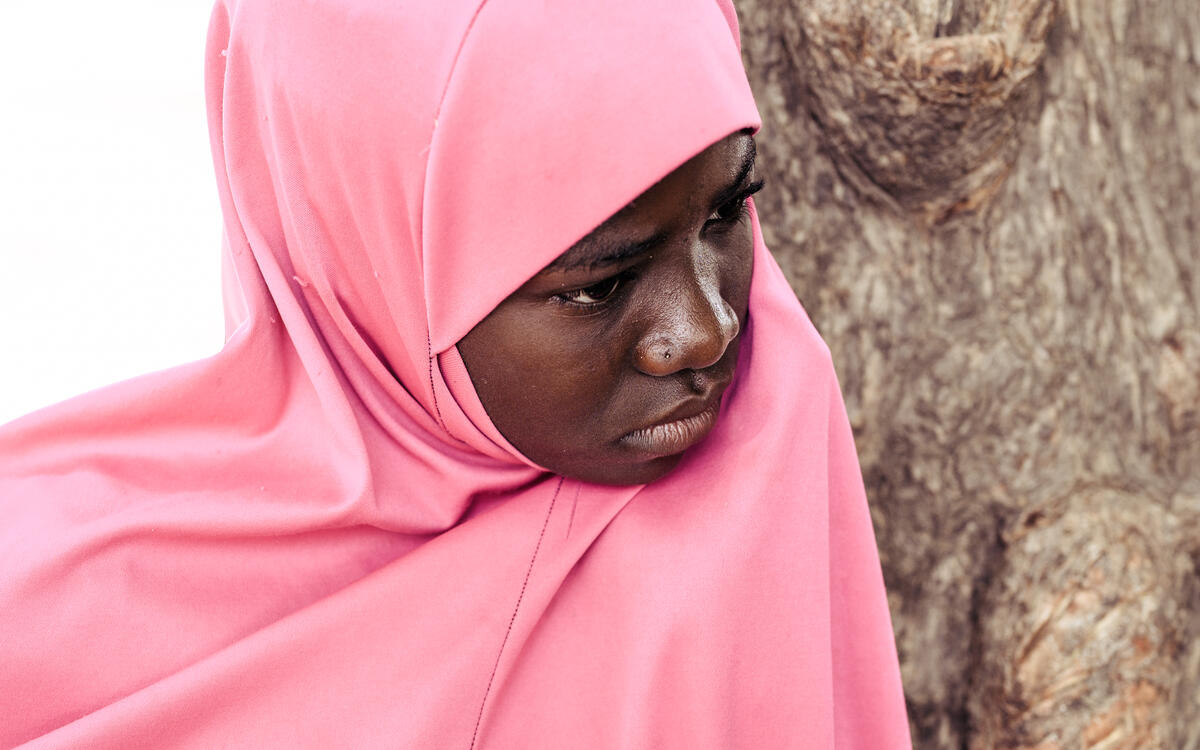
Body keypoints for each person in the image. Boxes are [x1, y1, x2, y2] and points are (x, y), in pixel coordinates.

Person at [0, 0, 911, 747]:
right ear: (374, 261)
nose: (708, 331)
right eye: (600, 285)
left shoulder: (761, 443)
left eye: (727, 210)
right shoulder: (42, 604)